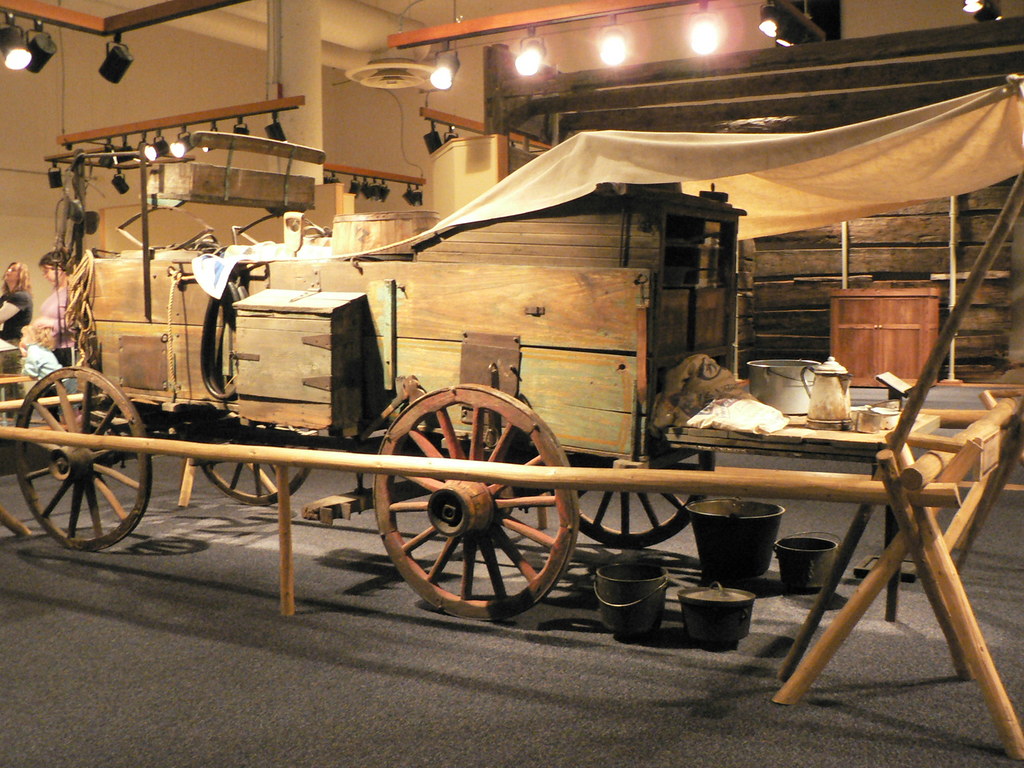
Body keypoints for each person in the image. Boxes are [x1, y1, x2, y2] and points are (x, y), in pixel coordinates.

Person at [37, 251, 75, 366]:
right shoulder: (56, 291)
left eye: (46, 271)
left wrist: (52, 323)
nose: (45, 275)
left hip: (67, 349)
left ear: (59, 269)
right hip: (53, 347)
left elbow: (76, 324)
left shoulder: (72, 293)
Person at [0, 261, 32, 375]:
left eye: (13, 270)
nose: (8, 271)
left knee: (12, 385)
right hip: (3, 343)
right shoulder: (6, 297)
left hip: (12, 344)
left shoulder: (21, 296)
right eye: (8, 269)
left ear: (21, 275)